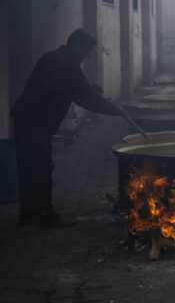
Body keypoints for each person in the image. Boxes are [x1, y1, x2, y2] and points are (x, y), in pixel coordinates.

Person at [11, 29, 124, 227]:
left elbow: (79, 88)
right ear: (75, 44)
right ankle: (45, 215)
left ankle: (28, 214)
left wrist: (90, 92)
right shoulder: (63, 62)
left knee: (29, 167)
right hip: (34, 121)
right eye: (86, 49)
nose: (87, 54)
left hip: (30, 119)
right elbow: (82, 96)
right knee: (40, 167)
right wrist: (115, 110)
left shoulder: (60, 59)